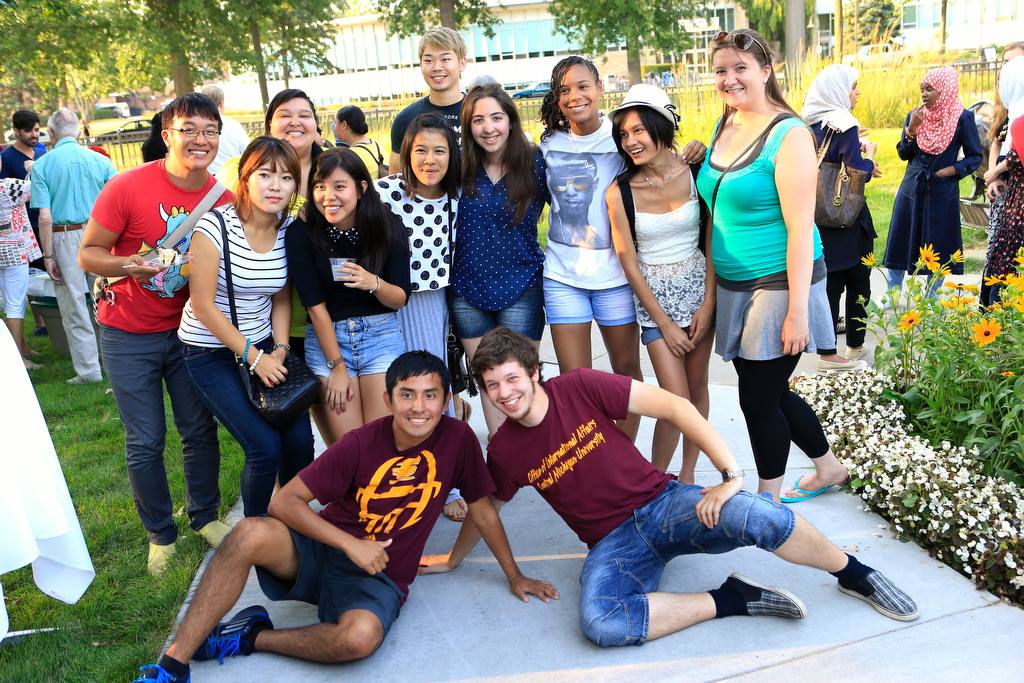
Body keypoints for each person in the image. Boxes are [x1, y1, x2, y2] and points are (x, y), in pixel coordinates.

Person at [422, 328, 919, 649]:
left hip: (665, 505)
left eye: (512, 378)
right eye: (492, 386)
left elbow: (675, 407)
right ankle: (731, 599)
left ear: (534, 372)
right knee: (603, 623)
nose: (505, 394)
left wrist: (730, 475)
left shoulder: (578, 387)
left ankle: (856, 574)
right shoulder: (506, 449)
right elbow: (488, 508)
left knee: (760, 516)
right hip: (613, 544)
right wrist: (462, 563)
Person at [133, 351, 557, 683]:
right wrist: (349, 543)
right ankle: (173, 664)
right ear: (388, 399)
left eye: (431, 396)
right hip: (324, 550)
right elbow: (285, 502)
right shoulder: (361, 442)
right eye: (407, 395)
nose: (419, 408)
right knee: (249, 533)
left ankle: (252, 637)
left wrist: (514, 574)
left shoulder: (458, 440)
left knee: (360, 638)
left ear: (447, 401)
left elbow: (482, 509)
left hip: (379, 575)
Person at [79, 93, 234, 575]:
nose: (200, 139)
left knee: (197, 429)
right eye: (189, 129)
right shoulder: (128, 187)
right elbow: (89, 254)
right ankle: (160, 534)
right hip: (128, 332)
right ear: (167, 135)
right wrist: (128, 266)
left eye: (209, 130)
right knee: (145, 438)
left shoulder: (223, 199)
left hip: (192, 334)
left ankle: (205, 516)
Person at [694, 29, 849, 503]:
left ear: (765, 71)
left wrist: (797, 313)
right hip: (738, 286)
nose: (730, 78)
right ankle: (828, 468)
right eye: (721, 70)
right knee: (770, 390)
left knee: (757, 398)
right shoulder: (727, 124)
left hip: (780, 284)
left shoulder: (789, 135)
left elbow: (801, 229)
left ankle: (767, 502)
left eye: (741, 68)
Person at [538, 56, 705, 443]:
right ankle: (592, 459)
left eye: (582, 86)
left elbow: (661, 158)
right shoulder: (547, 145)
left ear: (598, 88)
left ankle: (622, 456)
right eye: (563, 90)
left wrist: (694, 148)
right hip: (563, 277)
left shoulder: (619, 138)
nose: (574, 96)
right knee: (574, 382)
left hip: (614, 276)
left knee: (626, 372)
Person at [178, 136, 313, 517]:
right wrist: (254, 358)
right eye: (265, 174)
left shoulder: (287, 230)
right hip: (210, 351)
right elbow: (203, 306)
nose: (275, 186)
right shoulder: (213, 228)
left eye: (286, 178)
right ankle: (257, 533)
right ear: (245, 178)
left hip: (268, 346)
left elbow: (281, 297)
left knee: (300, 443)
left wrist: (282, 348)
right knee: (263, 448)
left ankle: (293, 519)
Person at [606, 84, 714, 481]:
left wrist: (708, 305)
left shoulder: (699, 172)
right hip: (655, 305)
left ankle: (686, 477)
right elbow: (628, 261)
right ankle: (653, 482)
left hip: (699, 292)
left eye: (638, 130)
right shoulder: (619, 192)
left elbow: (711, 240)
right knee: (674, 399)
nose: (631, 141)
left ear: (659, 126)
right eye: (623, 134)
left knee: (698, 390)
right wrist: (664, 323)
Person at [286, 147, 410, 445]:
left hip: (381, 338)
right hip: (330, 342)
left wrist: (373, 282)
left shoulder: (387, 227)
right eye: (319, 187)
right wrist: (336, 366)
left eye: (339, 186)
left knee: (381, 443)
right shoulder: (302, 233)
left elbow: (400, 298)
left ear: (361, 187)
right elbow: (315, 308)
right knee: (351, 447)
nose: (328, 196)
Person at [453, 80, 547, 439]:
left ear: (510, 119)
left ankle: (536, 454)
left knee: (520, 378)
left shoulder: (535, 162)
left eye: (496, 117)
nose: (488, 128)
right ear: (469, 126)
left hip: (521, 285)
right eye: (478, 120)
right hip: (467, 288)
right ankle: (502, 455)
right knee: (489, 379)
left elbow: (577, 200)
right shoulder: (458, 168)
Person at [217, 89, 324, 360]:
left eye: (305, 115)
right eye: (284, 115)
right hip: (262, 324)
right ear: (269, 126)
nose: (295, 122)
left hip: (326, 314)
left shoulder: (335, 172)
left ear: (315, 124)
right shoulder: (236, 170)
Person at [801, 64, 881, 368]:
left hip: (820, 219)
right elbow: (859, 172)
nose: (857, 92)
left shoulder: (807, 123)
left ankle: (827, 350)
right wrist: (869, 154)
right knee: (859, 283)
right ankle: (855, 348)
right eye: (853, 86)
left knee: (829, 284)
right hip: (849, 219)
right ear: (838, 90)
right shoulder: (844, 123)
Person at [30, 108, 117, 384]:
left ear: (51, 133)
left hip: (62, 235)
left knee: (73, 305)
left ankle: (89, 371)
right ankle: (115, 361)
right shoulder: (99, 160)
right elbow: (120, 201)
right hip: (100, 233)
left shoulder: (42, 165)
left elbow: (45, 216)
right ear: (78, 130)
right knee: (108, 298)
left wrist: (48, 255)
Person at [883, 66, 982, 295]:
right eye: (922, 89)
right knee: (901, 238)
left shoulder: (962, 117)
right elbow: (903, 153)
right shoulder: (915, 116)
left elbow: (975, 156)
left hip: (942, 192)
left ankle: (932, 295)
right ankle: (893, 292)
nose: (924, 94)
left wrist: (953, 170)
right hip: (912, 189)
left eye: (930, 89)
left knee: (937, 243)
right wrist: (912, 130)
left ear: (944, 90)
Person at [389, 26, 466, 171]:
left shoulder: (480, 112)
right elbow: (396, 180)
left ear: (462, 63)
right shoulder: (405, 119)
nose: (437, 67)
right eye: (429, 60)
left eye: (445, 59)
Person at [982, 50, 1024, 304]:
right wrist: (994, 175)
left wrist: (997, 170)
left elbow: (1019, 154)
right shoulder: (1011, 116)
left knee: (1006, 266)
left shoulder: (1019, 120)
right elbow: (998, 140)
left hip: (1018, 204)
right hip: (1011, 197)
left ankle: (997, 325)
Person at [2, 110, 47, 337]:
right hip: (20, 230)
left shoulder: (41, 152)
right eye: (29, 131)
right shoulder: (8, 158)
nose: (34, 135)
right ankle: (39, 322)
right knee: (26, 275)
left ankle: (49, 318)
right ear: (16, 132)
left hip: (45, 219)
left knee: (45, 272)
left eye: (37, 130)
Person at [0, 154, 41, 368]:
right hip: (15, 251)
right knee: (16, 304)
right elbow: (38, 187)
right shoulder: (9, 187)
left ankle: (22, 348)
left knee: (8, 302)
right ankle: (18, 360)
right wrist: (33, 169)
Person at [201, 85, 252, 175]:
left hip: (206, 176)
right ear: (221, 104)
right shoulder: (234, 125)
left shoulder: (197, 126)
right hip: (230, 176)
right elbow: (248, 152)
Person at [334, 105, 386, 180]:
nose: (334, 128)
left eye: (335, 123)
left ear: (344, 125)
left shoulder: (350, 155)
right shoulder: (377, 145)